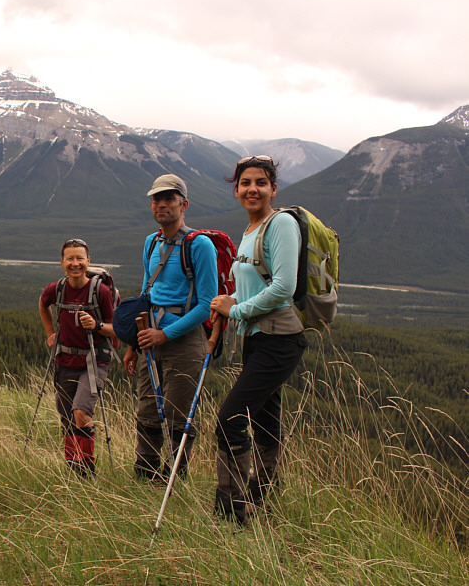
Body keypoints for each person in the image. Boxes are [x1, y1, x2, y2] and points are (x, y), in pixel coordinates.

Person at [209, 155, 307, 525]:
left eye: (261, 183)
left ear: (273, 189)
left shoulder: (280, 223)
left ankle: (231, 510)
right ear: (236, 191)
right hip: (258, 339)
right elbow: (252, 287)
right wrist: (229, 304)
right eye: (245, 183)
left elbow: (285, 286)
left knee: (229, 418)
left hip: (280, 338)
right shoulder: (250, 231)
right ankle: (260, 498)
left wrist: (235, 310)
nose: (253, 189)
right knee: (265, 422)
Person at [123, 174, 218, 482]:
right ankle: (145, 476)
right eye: (156, 199)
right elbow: (146, 294)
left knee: (179, 415)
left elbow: (206, 305)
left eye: (169, 199)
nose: (161, 204)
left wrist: (164, 334)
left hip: (184, 339)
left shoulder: (200, 245)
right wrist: (133, 344)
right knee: (148, 409)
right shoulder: (151, 242)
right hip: (149, 337)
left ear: (183, 204)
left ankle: (173, 480)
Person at [39, 238, 116, 477]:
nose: (75, 263)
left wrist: (96, 324)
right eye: (70, 258)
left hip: (94, 361)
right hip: (65, 361)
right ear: (62, 261)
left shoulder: (100, 292)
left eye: (80, 258)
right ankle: (74, 469)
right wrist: (50, 333)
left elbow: (116, 328)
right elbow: (43, 304)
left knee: (81, 413)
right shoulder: (57, 289)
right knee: (67, 419)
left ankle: (86, 472)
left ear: (88, 261)